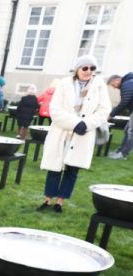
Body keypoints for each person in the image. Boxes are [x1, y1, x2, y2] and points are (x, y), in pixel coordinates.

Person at [37, 55, 111, 213]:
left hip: (83, 134)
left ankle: (60, 202)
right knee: (55, 166)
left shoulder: (99, 86)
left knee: (72, 169)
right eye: (85, 68)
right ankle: (48, 199)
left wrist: (86, 124)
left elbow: (104, 110)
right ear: (77, 69)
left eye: (92, 68)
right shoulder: (64, 84)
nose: (88, 71)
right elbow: (55, 110)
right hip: (62, 131)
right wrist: (75, 123)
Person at [106, 72, 133, 160]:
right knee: (127, 130)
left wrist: (111, 115)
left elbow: (124, 102)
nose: (114, 87)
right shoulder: (128, 82)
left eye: (113, 84)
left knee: (131, 132)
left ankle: (123, 154)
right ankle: (119, 151)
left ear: (118, 80)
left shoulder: (127, 83)